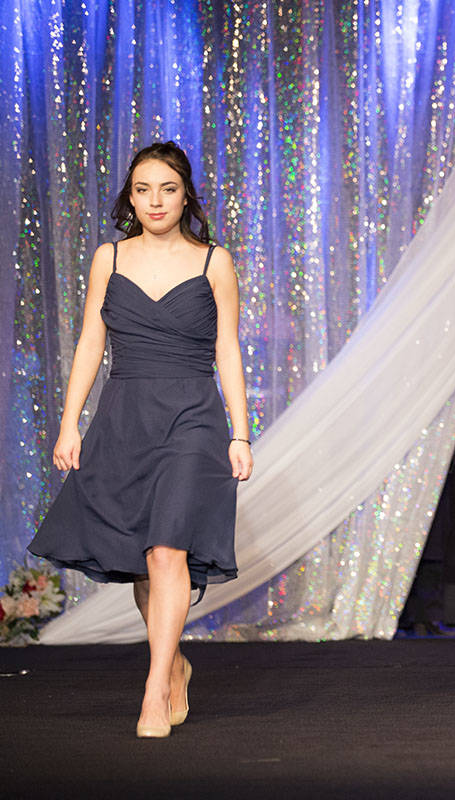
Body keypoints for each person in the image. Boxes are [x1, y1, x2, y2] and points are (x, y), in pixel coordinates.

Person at [28, 141, 252, 738]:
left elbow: (227, 348)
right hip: (124, 417)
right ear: (130, 196)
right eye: (143, 189)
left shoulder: (214, 263)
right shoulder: (110, 257)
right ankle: (173, 663)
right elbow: (89, 344)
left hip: (193, 417)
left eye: (168, 189)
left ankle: (154, 692)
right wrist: (70, 421)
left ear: (187, 196)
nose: (155, 200)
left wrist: (241, 433)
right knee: (143, 565)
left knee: (168, 549)